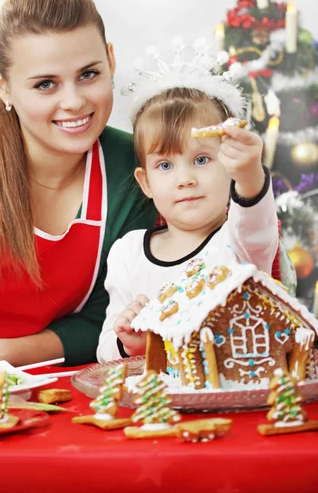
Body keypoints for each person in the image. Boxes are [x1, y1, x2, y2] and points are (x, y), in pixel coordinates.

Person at [0, 0, 156, 370]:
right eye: (46, 84)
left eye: (89, 74)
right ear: (3, 86)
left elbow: (114, 319)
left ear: (111, 60)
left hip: (50, 391)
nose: (74, 101)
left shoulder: (132, 170)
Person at [97, 43, 295, 362]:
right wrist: (127, 344)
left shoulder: (239, 242)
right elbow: (105, 349)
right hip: (158, 406)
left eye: (202, 159)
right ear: (144, 181)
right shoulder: (128, 254)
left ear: (229, 166)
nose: (185, 178)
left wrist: (249, 175)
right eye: (165, 165)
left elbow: (257, 225)